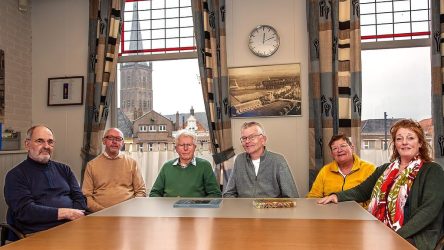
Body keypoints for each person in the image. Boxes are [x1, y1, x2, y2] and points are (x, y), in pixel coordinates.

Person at [318, 119, 444, 250]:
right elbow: (362, 191)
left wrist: (396, 236)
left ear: (420, 143)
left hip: (413, 236)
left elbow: (428, 211)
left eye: (411, 138)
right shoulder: (384, 169)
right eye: (399, 139)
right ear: (395, 144)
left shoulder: (433, 170)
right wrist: (337, 196)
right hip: (380, 231)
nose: (404, 142)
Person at [4, 125, 87, 235]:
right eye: (40, 141)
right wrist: (65, 213)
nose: (46, 146)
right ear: (27, 145)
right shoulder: (16, 175)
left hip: (71, 228)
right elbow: (25, 211)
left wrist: (73, 217)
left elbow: (79, 198)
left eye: (50, 142)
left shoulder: (64, 169)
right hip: (37, 234)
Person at [223, 121, 299, 198]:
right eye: (244, 138)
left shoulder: (277, 161)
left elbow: (292, 196)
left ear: (263, 140)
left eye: (252, 137)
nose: (247, 141)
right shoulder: (239, 160)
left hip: (270, 208)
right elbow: (228, 193)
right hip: (243, 208)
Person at [82, 128, 146, 212]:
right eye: (110, 138)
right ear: (104, 141)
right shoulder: (91, 165)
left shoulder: (132, 163)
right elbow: (86, 196)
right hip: (100, 214)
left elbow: (141, 191)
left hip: (127, 214)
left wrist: (131, 209)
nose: (114, 141)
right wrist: (102, 211)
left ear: (122, 143)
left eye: (118, 139)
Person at [307, 134, 375, 206]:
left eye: (343, 146)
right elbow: (313, 197)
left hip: (359, 214)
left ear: (352, 148)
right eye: (335, 148)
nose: (339, 150)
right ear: (332, 154)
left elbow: (376, 199)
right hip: (329, 214)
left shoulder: (369, 169)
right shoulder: (325, 171)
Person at [149, 130, 221, 197]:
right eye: (181, 145)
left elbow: (215, 194)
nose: (185, 148)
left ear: (194, 147)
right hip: (169, 210)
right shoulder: (167, 166)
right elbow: (154, 193)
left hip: (195, 209)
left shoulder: (204, 166)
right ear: (176, 148)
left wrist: (199, 205)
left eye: (189, 145)